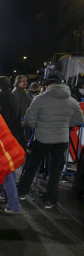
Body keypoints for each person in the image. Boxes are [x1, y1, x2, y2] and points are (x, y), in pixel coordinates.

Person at [17, 74, 84, 208]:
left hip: (42, 138)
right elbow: (79, 120)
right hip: (61, 139)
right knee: (56, 170)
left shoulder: (40, 99)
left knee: (32, 166)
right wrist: (64, 124)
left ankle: (22, 192)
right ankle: (50, 200)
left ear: (47, 86)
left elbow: (29, 118)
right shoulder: (71, 100)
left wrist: (38, 126)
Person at [0, 76, 24, 214]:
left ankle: (13, 205)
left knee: (6, 172)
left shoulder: (1, 98)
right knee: (8, 170)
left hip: (4, 139)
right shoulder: (12, 96)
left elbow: (0, 119)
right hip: (13, 137)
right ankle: (5, 195)